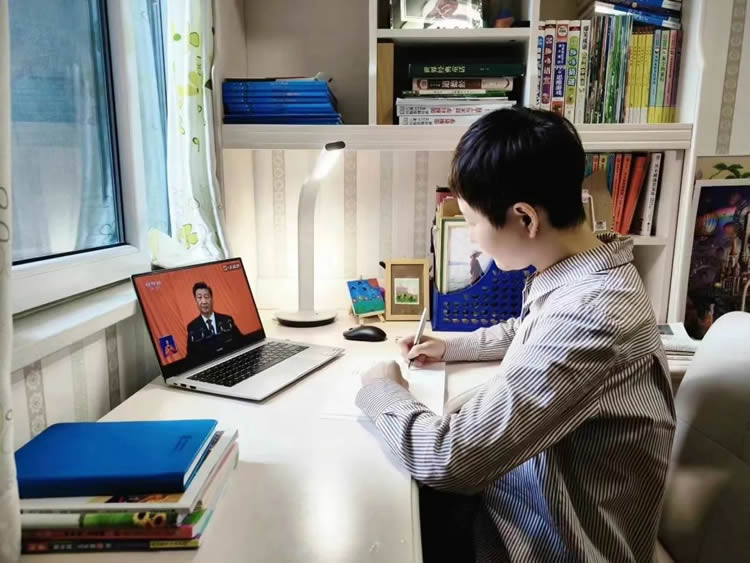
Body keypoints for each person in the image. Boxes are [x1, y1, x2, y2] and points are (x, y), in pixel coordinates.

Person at [355, 108, 675, 562]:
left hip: (547, 542)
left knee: (372, 521)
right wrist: (452, 346)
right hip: (525, 500)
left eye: (471, 222)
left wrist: (382, 391)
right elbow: (529, 328)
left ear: (525, 218)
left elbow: (449, 459)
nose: (472, 237)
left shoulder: (592, 315)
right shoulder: (588, 271)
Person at [186, 282, 241, 362]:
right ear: (195, 300)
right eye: (199, 298)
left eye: (206, 297)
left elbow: (241, 342)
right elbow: (191, 356)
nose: (204, 301)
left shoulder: (227, 319)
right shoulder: (192, 327)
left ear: (211, 299)